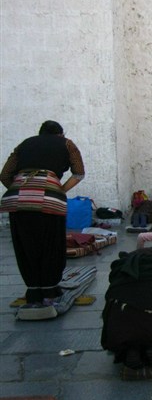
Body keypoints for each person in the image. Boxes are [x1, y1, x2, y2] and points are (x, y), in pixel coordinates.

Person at [0, 120, 85, 308]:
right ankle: (49, 293)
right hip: (49, 200)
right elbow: (79, 173)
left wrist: (22, 190)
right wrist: (60, 190)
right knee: (50, 245)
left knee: (26, 247)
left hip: (19, 201)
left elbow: (4, 175)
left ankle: (33, 293)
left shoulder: (24, 144)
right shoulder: (67, 144)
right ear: (60, 134)